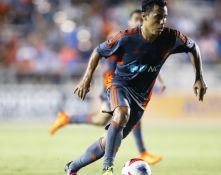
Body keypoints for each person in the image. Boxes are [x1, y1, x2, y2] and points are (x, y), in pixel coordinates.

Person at [67, 0, 207, 174]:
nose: (162, 21)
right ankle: (107, 168)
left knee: (110, 141)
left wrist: (199, 78)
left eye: (164, 17)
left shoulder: (171, 38)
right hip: (120, 86)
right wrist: (86, 79)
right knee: (122, 113)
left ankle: (72, 167)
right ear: (144, 16)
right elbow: (98, 51)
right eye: (158, 17)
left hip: (141, 99)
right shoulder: (126, 38)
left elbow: (194, 47)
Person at [49, 9, 164, 165]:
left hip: (124, 85)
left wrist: (160, 80)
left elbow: (147, 63)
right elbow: (108, 65)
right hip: (115, 85)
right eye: (136, 19)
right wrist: (110, 89)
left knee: (100, 119)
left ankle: (66, 118)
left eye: (140, 19)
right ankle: (143, 152)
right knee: (127, 113)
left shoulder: (144, 39)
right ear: (130, 21)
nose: (138, 22)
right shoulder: (122, 37)